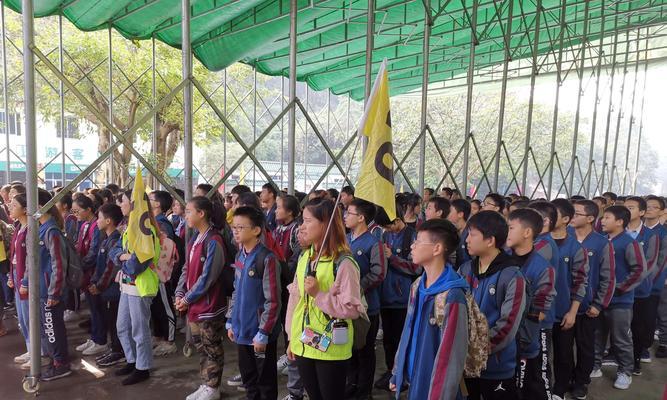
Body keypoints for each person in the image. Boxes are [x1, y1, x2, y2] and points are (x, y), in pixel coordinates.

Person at [285, 198, 364, 400]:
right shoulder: (306, 257)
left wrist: (319, 295)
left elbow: (352, 309)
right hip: (304, 344)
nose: (302, 227)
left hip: (331, 349)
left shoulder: (344, 263)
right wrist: (292, 338)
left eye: (307, 221)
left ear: (325, 223)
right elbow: (295, 299)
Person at [390, 219, 469, 400]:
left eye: (418, 241)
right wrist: (398, 371)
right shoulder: (417, 286)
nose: (412, 246)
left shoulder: (452, 296)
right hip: (415, 380)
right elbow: (407, 333)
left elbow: (452, 358)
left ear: (437, 249)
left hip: (435, 388)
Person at [459, 210, 526, 400]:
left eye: (472, 235)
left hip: (496, 363)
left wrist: (479, 348)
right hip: (466, 361)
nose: (467, 240)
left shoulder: (511, 276)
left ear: (490, 240)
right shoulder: (465, 270)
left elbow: (508, 324)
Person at [176, 197, 228, 400]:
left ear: (201, 214)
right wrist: (180, 293)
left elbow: (208, 277)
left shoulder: (214, 240)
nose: (185, 214)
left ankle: (213, 387)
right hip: (194, 306)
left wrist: (187, 298)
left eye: (189, 211)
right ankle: (206, 382)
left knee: (212, 347)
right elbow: (186, 269)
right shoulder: (195, 239)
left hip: (209, 306)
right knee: (202, 348)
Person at [227, 206, 282, 400]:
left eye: (241, 227)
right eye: (234, 227)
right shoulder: (240, 255)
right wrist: (231, 320)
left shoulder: (266, 259)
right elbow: (236, 291)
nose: (235, 230)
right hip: (242, 329)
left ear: (256, 230)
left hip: (259, 333)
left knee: (265, 383)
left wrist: (264, 332)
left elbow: (273, 301)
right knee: (249, 380)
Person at [110, 189, 161, 386]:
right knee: (122, 327)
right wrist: (124, 256)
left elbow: (138, 264)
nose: (120, 205)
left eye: (122, 201)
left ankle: (143, 366)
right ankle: (132, 360)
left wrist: (123, 261)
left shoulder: (146, 230)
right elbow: (114, 251)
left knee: (139, 330)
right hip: (127, 286)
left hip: (139, 286)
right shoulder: (128, 227)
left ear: (133, 204)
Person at [593, 205, 646, 390]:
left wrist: (619, 288)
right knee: (597, 335)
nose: (602, 220)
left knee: (621, 337)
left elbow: (639, 270)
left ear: (620, 222)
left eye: (607, 217)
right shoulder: (602, 241)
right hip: (600, 300)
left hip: (620, 301)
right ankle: (595, 365)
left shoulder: (628, 242)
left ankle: (625, 372)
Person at [506, 208, 555, 400]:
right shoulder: (501, 259)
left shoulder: (543, 268)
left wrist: (510, 312)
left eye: (510, 228)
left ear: (527, 233)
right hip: (502, 340)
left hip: (525, 339)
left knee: (531, 385)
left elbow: (539, 312)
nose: (506, 232)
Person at [571, 199, 615, 399]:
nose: (572, 216)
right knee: (563, 349)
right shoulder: (566, 238)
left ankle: (581, 382)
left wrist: (598, 304)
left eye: (577, 214)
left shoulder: (601, 243)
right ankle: (563, 380)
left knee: (585, 347)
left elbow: (608, 277)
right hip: (565, 304)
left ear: (590, 218)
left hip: (588, 307)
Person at [374, 203, 421, 391]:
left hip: (402, 300)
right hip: (385, 297)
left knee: (402, 340)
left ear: (398, 220)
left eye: (388, 225)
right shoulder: (385, 235)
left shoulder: (412, 236)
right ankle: (390, 372)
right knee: (388, 340)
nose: (386, 230)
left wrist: (392, 257)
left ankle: (403, 374)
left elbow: (416, 267)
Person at [343, 199, 386, 400]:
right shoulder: (345, 240)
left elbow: (379, 273)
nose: (345, 216)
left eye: (349, 213)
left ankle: (364, 391)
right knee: (349, 349)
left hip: (367, 307)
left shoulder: (373, 242)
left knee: (365, 351)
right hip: (346, 306)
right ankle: (351, 384)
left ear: (361, 218)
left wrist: (357, 286)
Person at [549, 199, 589, 400]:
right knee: (539, 354)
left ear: (566, 219)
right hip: (539, 312)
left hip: (562, 310)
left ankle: (559, 389)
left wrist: (573, 311)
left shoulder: (575, 248)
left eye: (552, 213)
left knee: (563, 354)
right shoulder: (539, 242)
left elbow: (580, 282)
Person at [35, 189, 72, 381]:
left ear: (40, 206)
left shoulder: (51, 231)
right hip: (43, 290)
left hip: (50, 291)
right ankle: (56, 359)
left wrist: (54, 293)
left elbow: (59, 264)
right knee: (48, 329)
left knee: (53, 329)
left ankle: (61, 364)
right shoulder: (42, 228)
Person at [623, 196, 659, 375]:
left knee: (637, 326)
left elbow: (650, 263)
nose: (626, 210)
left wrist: (628, 283)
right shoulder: (617, 231)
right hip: (617, 290)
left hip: (639, 291)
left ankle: (635, 360)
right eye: (624, 207)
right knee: (617, 327)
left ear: (642, 212)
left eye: (631, 208)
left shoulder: (650, 236)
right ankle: (615, 356)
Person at [72, 195, 107, 356]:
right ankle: (94, 337)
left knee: (98, 308)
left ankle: (100, 340)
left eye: (78, 210)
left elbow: (94, 253)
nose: (75, 213)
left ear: (89, 210)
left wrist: (79, 267)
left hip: (93, 274)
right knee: (93, 309)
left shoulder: (96, 228)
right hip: (86, 273)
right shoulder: (86, 224)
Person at [92, 203, 126, 368]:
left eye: (99, 218)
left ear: (109, 221)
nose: (96, 221)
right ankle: (114, 348)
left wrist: (99, 285)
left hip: (112, 291)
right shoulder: (106, 239)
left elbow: (110, 268)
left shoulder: (114, 240)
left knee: (115, 322)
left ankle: (118, 351)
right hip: (107, 289)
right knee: (111, 320)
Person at [148, 190, 178, 356]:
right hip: (154, 272)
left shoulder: (162, 224)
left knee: (165, 306)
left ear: (158, 204)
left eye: (151, 199)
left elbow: (166, 250)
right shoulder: (153, 221)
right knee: (156, 306)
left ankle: (170, 340)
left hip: (161, 273)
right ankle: (159, 335)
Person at [644, 195, 667, 359]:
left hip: (654, 282)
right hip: (634, 282)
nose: (650, 209)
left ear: (662, 212)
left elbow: (661, 262)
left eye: (654, 207)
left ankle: (662, 343)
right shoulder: (637, 230)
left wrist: (652, 281)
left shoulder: (663, 233)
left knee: (658, 313)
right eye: (647, 206)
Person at [448, 199, 472, 269]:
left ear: (460, 214)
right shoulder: (453, 231)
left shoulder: (470, 233)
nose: (448, 213)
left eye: (450, 211)